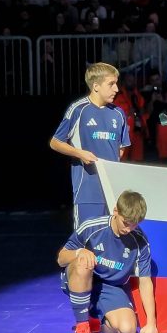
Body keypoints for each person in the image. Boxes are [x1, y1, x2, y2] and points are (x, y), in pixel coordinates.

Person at [57, 190, 158, 333]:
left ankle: (98, 320)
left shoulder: (140, 241)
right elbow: (61, 258)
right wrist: (79, 252)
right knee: (83, 262)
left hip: (110, 287)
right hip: (82, 276)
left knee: (128, 330)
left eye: (134, 224)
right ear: (116, 211)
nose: (128, 229)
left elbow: (145, 282)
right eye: (125, 223)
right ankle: (82, 326)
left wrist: (151, 323)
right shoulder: (92, 227)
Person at [50, 62, 130, 228]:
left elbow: (121, 148)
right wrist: (80, 153)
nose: (116, 89)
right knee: (86, 241)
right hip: (87, 190)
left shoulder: (118, 113)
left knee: (110, 240)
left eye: (116, 83)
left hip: (112, 190)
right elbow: (55, 142)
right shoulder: (79, 109)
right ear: (96, 86)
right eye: (111, 84)